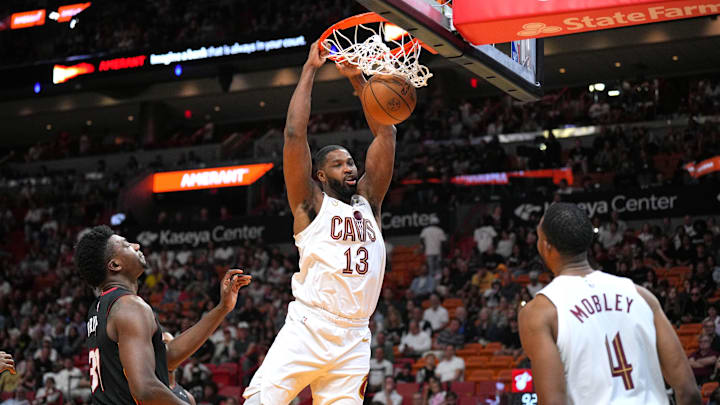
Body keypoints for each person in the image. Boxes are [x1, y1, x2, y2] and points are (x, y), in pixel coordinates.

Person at [243, 40, 396, 405]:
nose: (350, 167)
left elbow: (386, 134)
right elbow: (295, 135)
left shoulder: (368, 201)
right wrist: (310, 69)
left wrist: (358, 79)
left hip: (355, 336)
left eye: (351, 162)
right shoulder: (310, 205)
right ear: (321, 176)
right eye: (339, 164)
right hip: (311, 327)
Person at [519, 202, 700, 405]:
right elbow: (688, 390)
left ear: (546, 245)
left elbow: (553, 402)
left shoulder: (541, 311)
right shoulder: (642, 296)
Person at [74, 225, 251, 405]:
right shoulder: (128, 306)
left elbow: (166, 358)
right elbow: (145, 390)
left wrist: (222, 308)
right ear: (115, 265)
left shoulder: (100, 308)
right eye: (126, 245)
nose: (136, 245)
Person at [163, 332, 197, 405]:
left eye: (172, 345)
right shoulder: (145, 391)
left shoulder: (189, 397)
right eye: (163, 345)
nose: (168, 349)